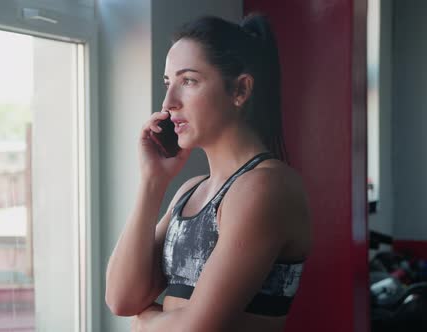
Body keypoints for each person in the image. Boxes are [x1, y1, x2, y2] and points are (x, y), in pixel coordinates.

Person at [105, 14, 312, 332]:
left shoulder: (265, 187)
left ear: (240, 90)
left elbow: (195, 328)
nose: (168, 102)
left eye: (188, 81)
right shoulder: (190, 191)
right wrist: (153, 182)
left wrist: (144, 322)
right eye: (167, 83)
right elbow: (121, 298)